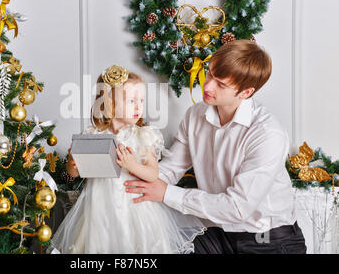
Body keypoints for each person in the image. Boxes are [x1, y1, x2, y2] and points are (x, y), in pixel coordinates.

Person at [123, 40, 307, 254]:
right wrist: (128, 183)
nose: (207, 86)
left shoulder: (267, 134)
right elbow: (169, 170)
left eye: (221, 84)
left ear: (246, 92)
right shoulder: (195, 115)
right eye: (209, 74)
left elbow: (238, 207)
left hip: (269, 241)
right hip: (216, 233)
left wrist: (166, 194)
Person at [51, 65, 206, 253]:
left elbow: (152, 174)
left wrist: (131, 164)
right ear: (110, 104)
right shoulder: (94, 135)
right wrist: (72, 164)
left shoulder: (142, 136)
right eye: (131, 101)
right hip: (98, 210)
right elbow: (75, 173)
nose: (139, 107)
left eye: (141, 100)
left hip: (133, 209)